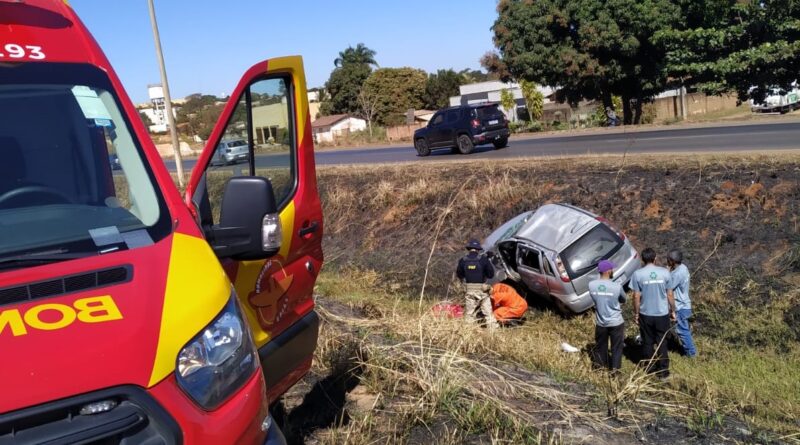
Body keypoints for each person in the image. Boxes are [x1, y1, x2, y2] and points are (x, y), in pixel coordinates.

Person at [630, 248, 676, 378]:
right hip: (662, 314)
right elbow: (670, 294)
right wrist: (673, 310)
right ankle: (663, 371)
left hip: (646, 314)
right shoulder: (665, 273)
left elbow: (636, 296)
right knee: (662, 342)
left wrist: (636, 313)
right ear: (655, 258)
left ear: (642, 259)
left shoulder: (637, 274)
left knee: (647, 342)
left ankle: (649, 369)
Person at [588, 260, 627, 372]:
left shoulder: (591, 285)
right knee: (616, 348)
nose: (612, 270)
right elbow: (623, 299)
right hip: (616, 322)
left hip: (601, 322)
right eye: (611, 269)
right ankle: (615, 371)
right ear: (608, 271)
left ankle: (600, 369)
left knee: (601, 347)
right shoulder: (616, 286)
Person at [456, 239, 498, 329]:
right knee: (488, 314)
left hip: (469, 290)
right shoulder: (483, 260)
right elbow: (491, 275)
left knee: (469, 314)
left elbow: (459, 275)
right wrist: (488, 261)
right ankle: (492, 332)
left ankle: (467, 332)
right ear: (478, 249)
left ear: (469, 249)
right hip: (482, 291)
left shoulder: (462, 260)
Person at [667, 249, 697, 358]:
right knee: (684, 330)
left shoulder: (677, 274)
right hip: (685, 304)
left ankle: (691, 354)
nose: (667, 261)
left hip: (680, 306)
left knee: (682, 331)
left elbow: (668, 288)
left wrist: (673, 309)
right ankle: (689, 352)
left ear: (672, 261)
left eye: (668, 259)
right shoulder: (683, 267)